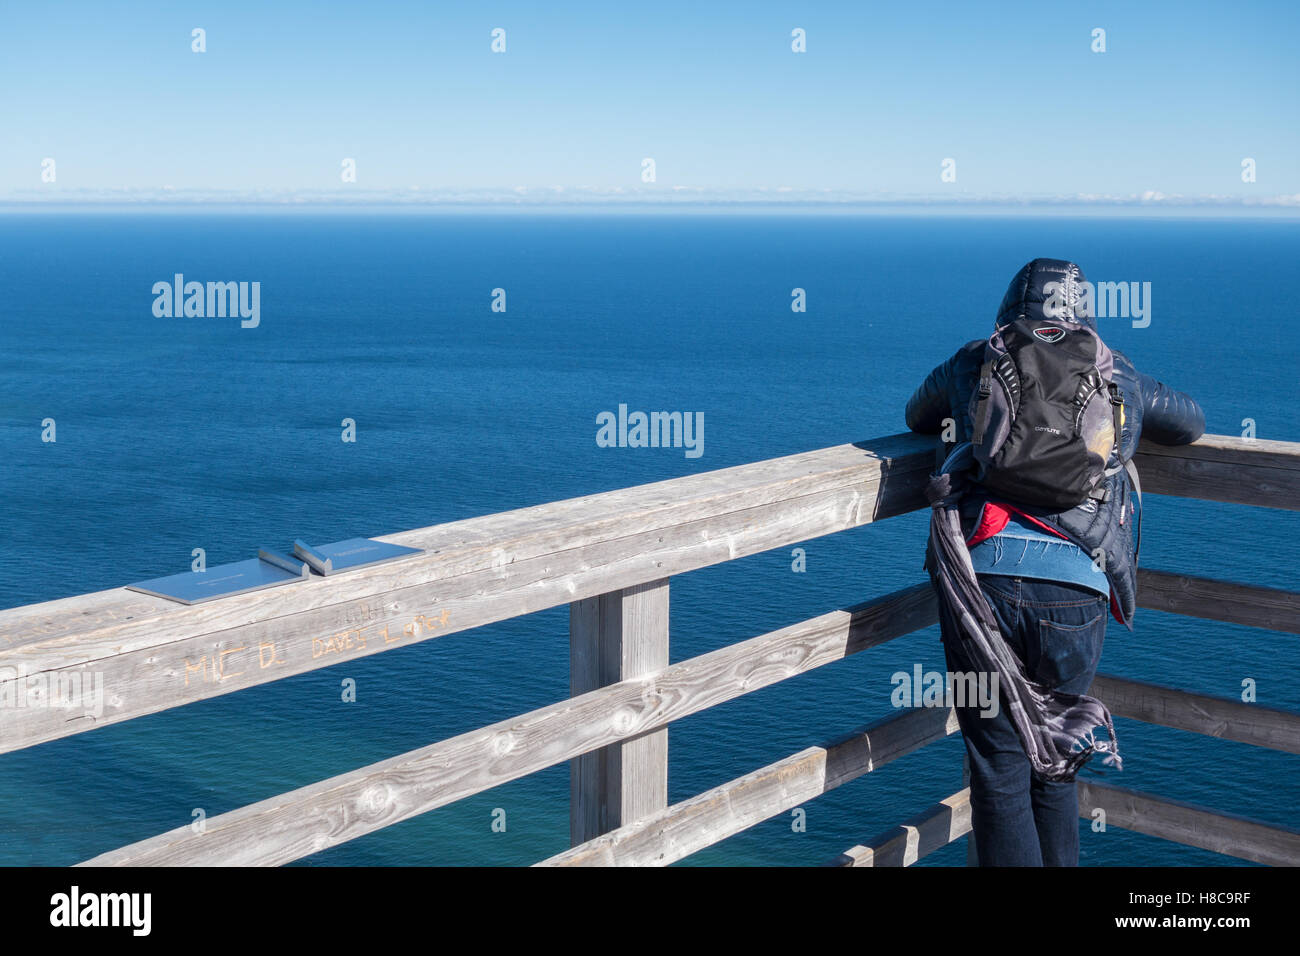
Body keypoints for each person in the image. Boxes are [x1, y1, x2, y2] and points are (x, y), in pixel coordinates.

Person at [904, 258, 1205, 866]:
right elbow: (1190, 424)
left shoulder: (974, 360)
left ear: (1010, 308)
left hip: (980, 587)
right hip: (1076, 587)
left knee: (999, 767)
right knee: (1058, 759)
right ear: (1084, 313)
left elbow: (915, 414)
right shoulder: (1117, 370)